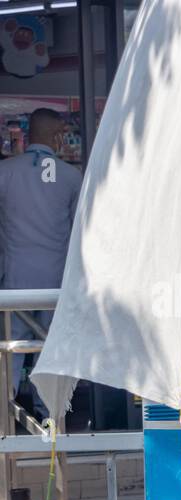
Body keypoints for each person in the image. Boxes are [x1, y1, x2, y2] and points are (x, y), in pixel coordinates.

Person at [0, 108, 83, 402]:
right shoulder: (72, 177)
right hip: (56, 279)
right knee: (53, 349)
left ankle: (5, 413)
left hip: (15, 277)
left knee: (12, 347)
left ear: (26, 134)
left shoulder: (5, 172)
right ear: (58, 136)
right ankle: (49, 413)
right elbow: (78, 234)